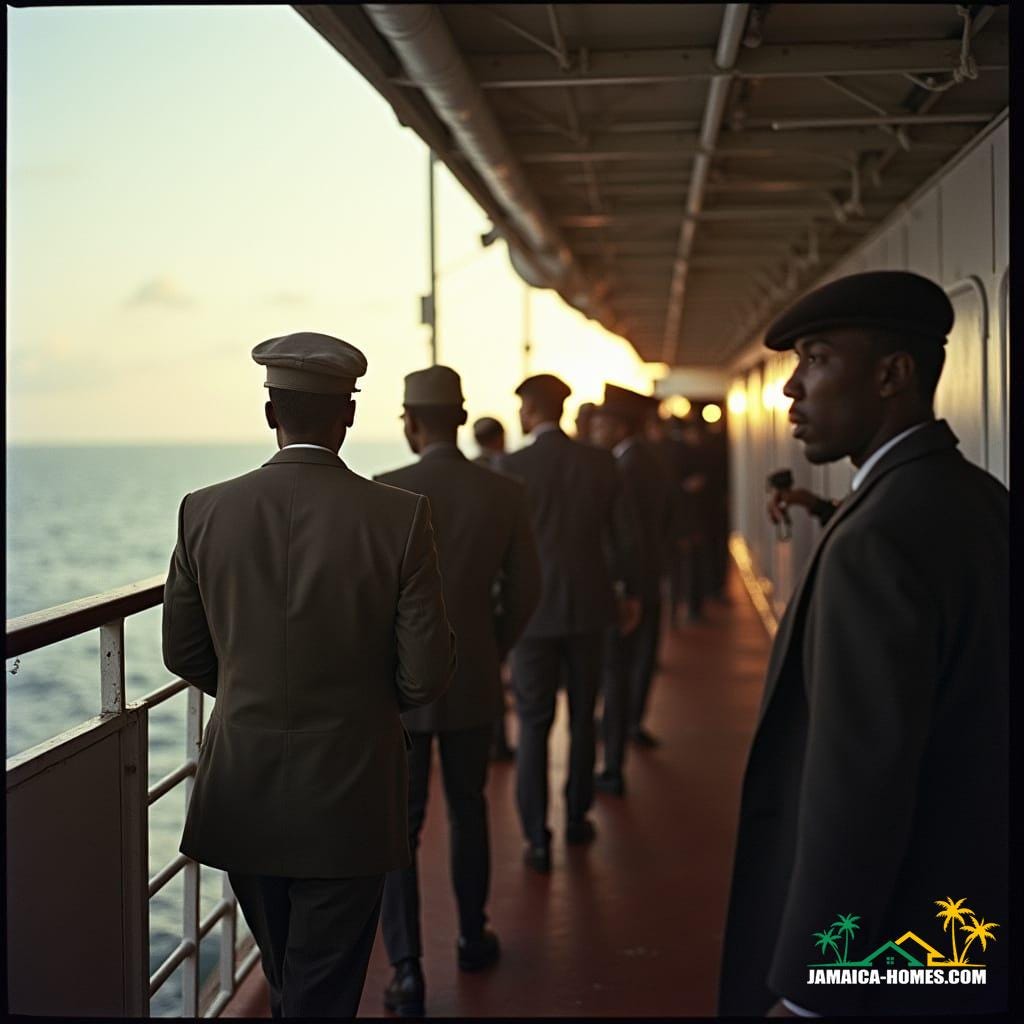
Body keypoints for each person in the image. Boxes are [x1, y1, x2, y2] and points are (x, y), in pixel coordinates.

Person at [718, 272, 1008, 1017]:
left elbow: (860, 785)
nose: (791, 390)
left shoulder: (875, 542)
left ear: (892, 374)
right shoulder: (976, 497)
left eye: (814, 359)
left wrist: (817, 986)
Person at [162, 332, 455, 1019]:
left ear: (270, 413)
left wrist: (251, 692)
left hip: (243, 786)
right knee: (322, 986)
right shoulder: (400, 517)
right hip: (351, 793)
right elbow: (425, 675)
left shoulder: (202, 510)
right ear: (347, 417)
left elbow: (182, 651)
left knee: (291, 973)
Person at [374, 367, 541, 1017]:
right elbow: (527, 590)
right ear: (462, 416)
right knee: (469, 810)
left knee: (400, 825)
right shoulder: (505, 491)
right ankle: (472, 937)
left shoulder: (386, 491)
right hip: (471, 675)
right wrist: (492, 647)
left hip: (400, 691)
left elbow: (369, 598)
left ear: (410, 422)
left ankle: (408, 969)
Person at [503, 373, 640, 872]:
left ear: (533, 409)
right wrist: (628, 594)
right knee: (584, 718)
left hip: (533, 616)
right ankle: (578, 816)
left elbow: (504, 550)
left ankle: (536, 835)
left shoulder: (510, 466)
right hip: (590, 607)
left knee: (534, 724)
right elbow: (622, 538)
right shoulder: (601, 464)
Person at [590, 385, 673, 795]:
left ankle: (612, 763)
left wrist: (625, 589)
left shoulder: (625, 466)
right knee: (637, 661)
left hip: (629, 582)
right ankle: (628, 728)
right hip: (650, 575)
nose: (595, 428)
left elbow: (628, 535)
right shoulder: (651, 457)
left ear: (619, 426)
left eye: (602, 422)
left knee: (616, 669)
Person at [471, 415, 519, 762]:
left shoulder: (468, 473)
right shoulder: (505, 476)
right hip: (500, 583)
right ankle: (498, 739)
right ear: (500, 439)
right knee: (494, 669)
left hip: (469, 585)